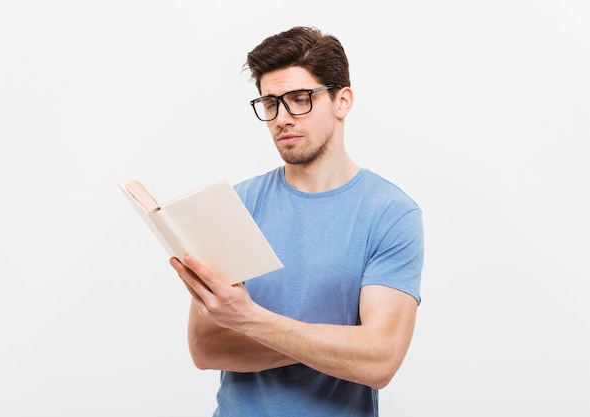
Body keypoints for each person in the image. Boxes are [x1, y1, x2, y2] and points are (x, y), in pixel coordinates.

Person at [170, 25, 424, 417]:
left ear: (342, 101)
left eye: (299, 99)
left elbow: (379, 361)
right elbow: (206, 349)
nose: (282, 117)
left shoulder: (390, 214)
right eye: (270, 103)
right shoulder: (237, 205)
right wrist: (336, 345)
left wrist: (249, 320)